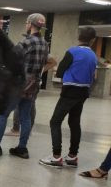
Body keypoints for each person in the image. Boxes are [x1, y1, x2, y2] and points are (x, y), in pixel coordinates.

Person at [0, 13, 49, 159]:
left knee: (2, 114)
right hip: (34, 84)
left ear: (30, 24)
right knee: (25, 117)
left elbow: (12, 58)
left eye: (27, 22)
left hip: (20, 83)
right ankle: (22, 149)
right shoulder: (45, 44)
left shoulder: (26, 42)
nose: (26, 25)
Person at [39, 27, 98, 168]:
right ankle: (72, 156)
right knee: (74, 122)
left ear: (79, 37)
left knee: (55, 121)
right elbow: (93, 76)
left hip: (70, 91)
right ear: (93, 40)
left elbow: (59, 72)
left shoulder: (73, 51)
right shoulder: (93, 56)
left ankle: (56, 157)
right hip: (83, 92)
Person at [7, 54, 57, 136]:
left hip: (24, 81)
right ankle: (28, 130)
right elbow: (53, 62)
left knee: (18, 104)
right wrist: (40, 71)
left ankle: (16, 130)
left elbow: (53, 62)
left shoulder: (27, 49)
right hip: (35, 81)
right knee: (31, 104)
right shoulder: (42, 51)